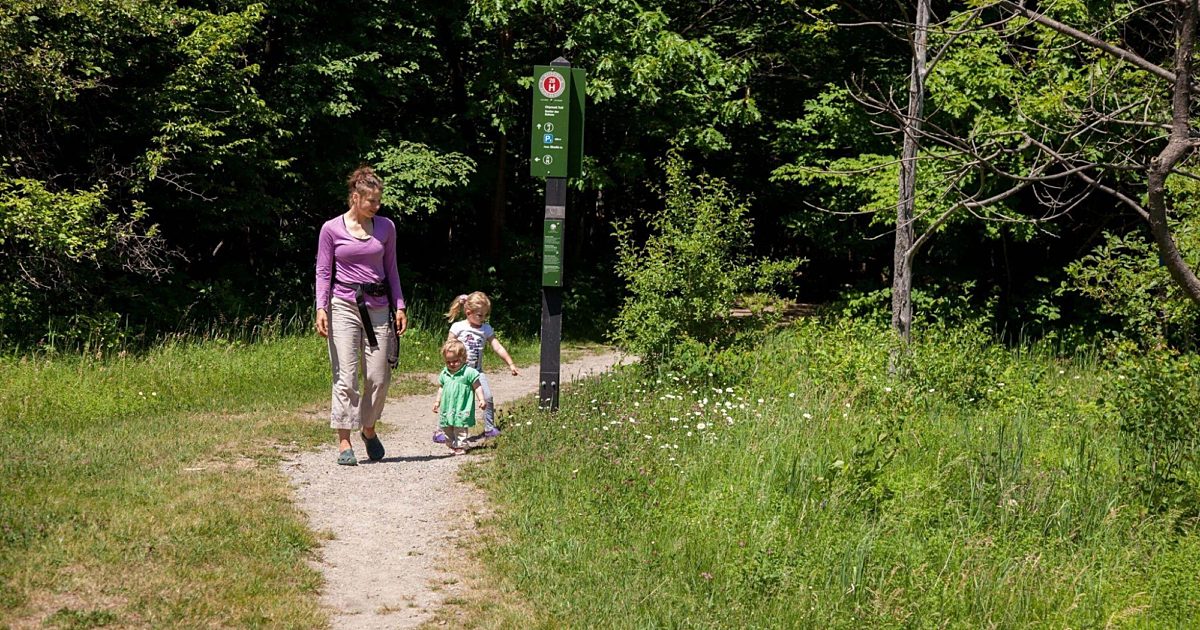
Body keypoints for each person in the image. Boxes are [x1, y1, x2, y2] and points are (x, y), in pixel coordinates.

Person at [315, 164, 408, 466]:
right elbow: (323, 270)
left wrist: (400, 304)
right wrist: (321, 306)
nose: (376, 206)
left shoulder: (386, 228)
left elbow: (391, 268)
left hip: (379, 307)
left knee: (379, 376)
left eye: (379, 201)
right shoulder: (331, 229)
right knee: (346, 376)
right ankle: (344, 441)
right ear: (356, 197)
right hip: (343, 305)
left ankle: (368, 428)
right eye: (372, 201)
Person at [433, 291, 519, 444]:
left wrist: (510, 363)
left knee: (487, 397)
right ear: (468, 312)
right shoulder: (458, 327)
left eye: (485, 315)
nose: (483, 318)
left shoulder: (485, 329)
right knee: (451, 401)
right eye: (480, 315)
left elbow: (497, 347)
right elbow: (448, 347)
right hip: (458, 373)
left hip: (476, 372)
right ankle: (441, 430)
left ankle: (489, 428)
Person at [433, 339, 487, 455]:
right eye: (448, 362)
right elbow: (441, 387)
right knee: (447, 427)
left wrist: (481, 399)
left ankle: (461, 445)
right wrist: (437, 401)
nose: (451, 364)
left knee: (460, 426)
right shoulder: (445, 373)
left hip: (462, 405)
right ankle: (452, 444)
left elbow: (477, 386)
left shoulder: (468, 372)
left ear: (463, 358)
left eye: (455, 361)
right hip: (448, 406)